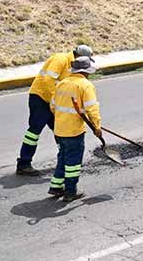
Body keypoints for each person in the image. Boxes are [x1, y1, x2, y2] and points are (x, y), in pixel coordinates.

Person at [16, 44, 93, 176]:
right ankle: (24, 163)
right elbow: (47, 81)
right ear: (78, 56)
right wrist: (56, 101)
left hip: (53, 101)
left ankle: (64, 161)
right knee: (34, 132)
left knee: (60, 131)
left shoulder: (74, 68)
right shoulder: (60, 59)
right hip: (40, 97)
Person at [48, 56, 102, 202]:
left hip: (59, 129)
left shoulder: (61, 83)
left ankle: (56, 186)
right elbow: (92, 109)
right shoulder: (85, 85)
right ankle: (70, 192)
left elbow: (53, 106)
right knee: (73, 162)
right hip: (73, 132)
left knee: (63, 157)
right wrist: (97, 126)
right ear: (86, 71)